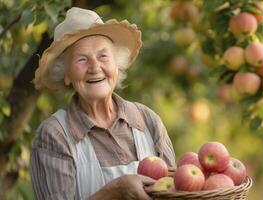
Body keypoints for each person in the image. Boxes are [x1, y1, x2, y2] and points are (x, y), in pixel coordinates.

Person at [29, 7, 176, 200]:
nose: (95, 67)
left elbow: (175, 191)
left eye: (103, 56)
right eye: (82, 59)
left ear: (117, 64)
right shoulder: (54, 136)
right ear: (65, 74)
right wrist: (114, 192)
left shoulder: (147, 120)